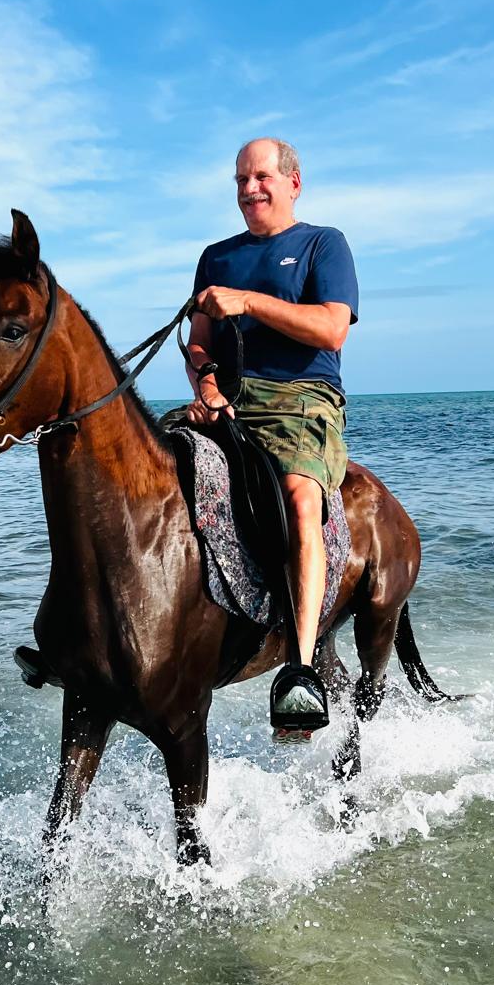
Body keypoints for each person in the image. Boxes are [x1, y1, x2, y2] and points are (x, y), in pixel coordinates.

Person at [185, 138, 359, 741]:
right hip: (226, 400)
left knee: (299, 496)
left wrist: (250, 302)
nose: (248, 189)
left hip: (301, 398)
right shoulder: (216, 256)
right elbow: (200, 337)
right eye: (239, 180)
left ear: (292, 182)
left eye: (260, 177)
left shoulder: (322, 243)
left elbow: (333, 329)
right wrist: (206, 385)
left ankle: (303, 672)